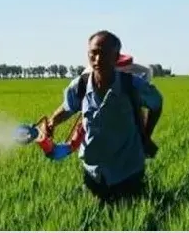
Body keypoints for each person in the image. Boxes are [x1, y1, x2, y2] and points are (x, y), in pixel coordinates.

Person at [46, 30, 164, 203]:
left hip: (127, 170)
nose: (98, 59)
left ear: (116, 56)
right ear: (88, 55)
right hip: (93, 172)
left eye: (104, 54)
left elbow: (157, 103)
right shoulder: (80, 85)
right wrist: (51, 123)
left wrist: (146, 134)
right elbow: (67, 107)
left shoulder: (131, 85)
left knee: (130, 218)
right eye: (93, 53)